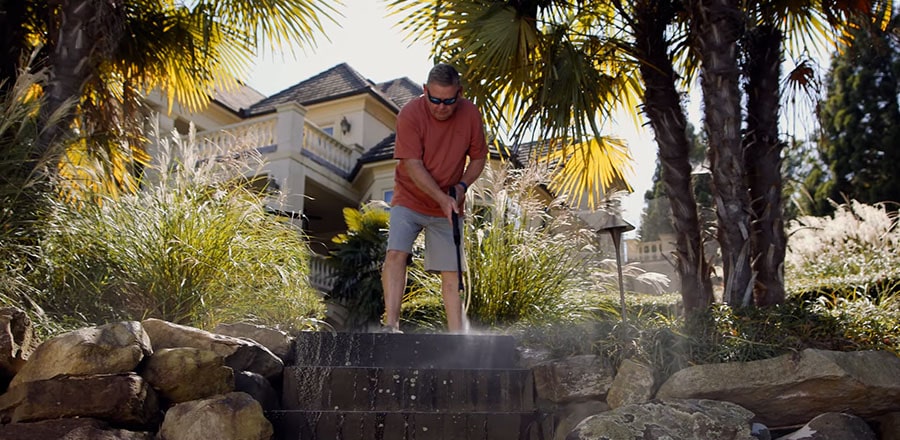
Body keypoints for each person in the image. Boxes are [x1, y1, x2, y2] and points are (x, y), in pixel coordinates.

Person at [381, 63, 488, 333]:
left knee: (452, 273)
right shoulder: (410, 114)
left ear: (460, 94)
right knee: (396, 254)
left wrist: (462, 186)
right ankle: (391, 326)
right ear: (425, 90)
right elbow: (411, 164)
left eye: (449, 100)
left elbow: (478, 158)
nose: (441, 107)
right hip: (409, 198)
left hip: (449, 205)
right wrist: (440, 197)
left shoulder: (471, 115)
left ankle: (457, 337)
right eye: (435, 99)